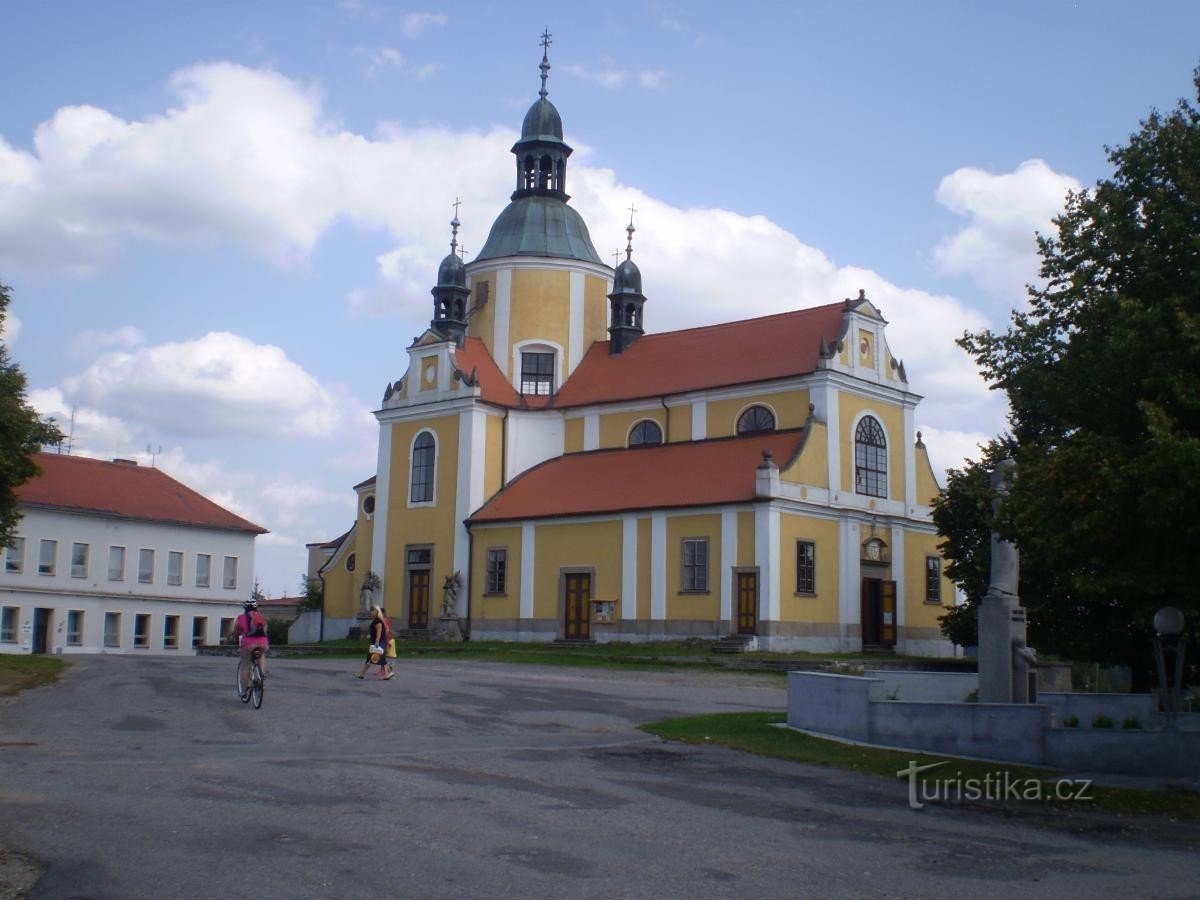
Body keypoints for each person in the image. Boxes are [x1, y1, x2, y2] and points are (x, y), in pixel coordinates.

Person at [234, 597, 270, 692]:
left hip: (248, 644)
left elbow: (236, 631)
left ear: (245, 608)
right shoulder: (261, 616)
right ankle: (261, 673)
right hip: (263, 643)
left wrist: (236, 636)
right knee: (261, 654)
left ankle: (244, 691)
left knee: (245, 666)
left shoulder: (241, 617)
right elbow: (265, 630)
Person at [356, 606, 393, 680]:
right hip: (377, 642)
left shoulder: (378, 621)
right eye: (371, 611)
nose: (371, 612)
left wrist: (377, 642)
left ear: (377, 612)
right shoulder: (376, 620)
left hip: (379, 642)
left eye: (373, 611)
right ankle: (362, 673)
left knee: (380, 657)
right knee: (370, 658)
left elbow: (379, 632)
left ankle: (387, 674)